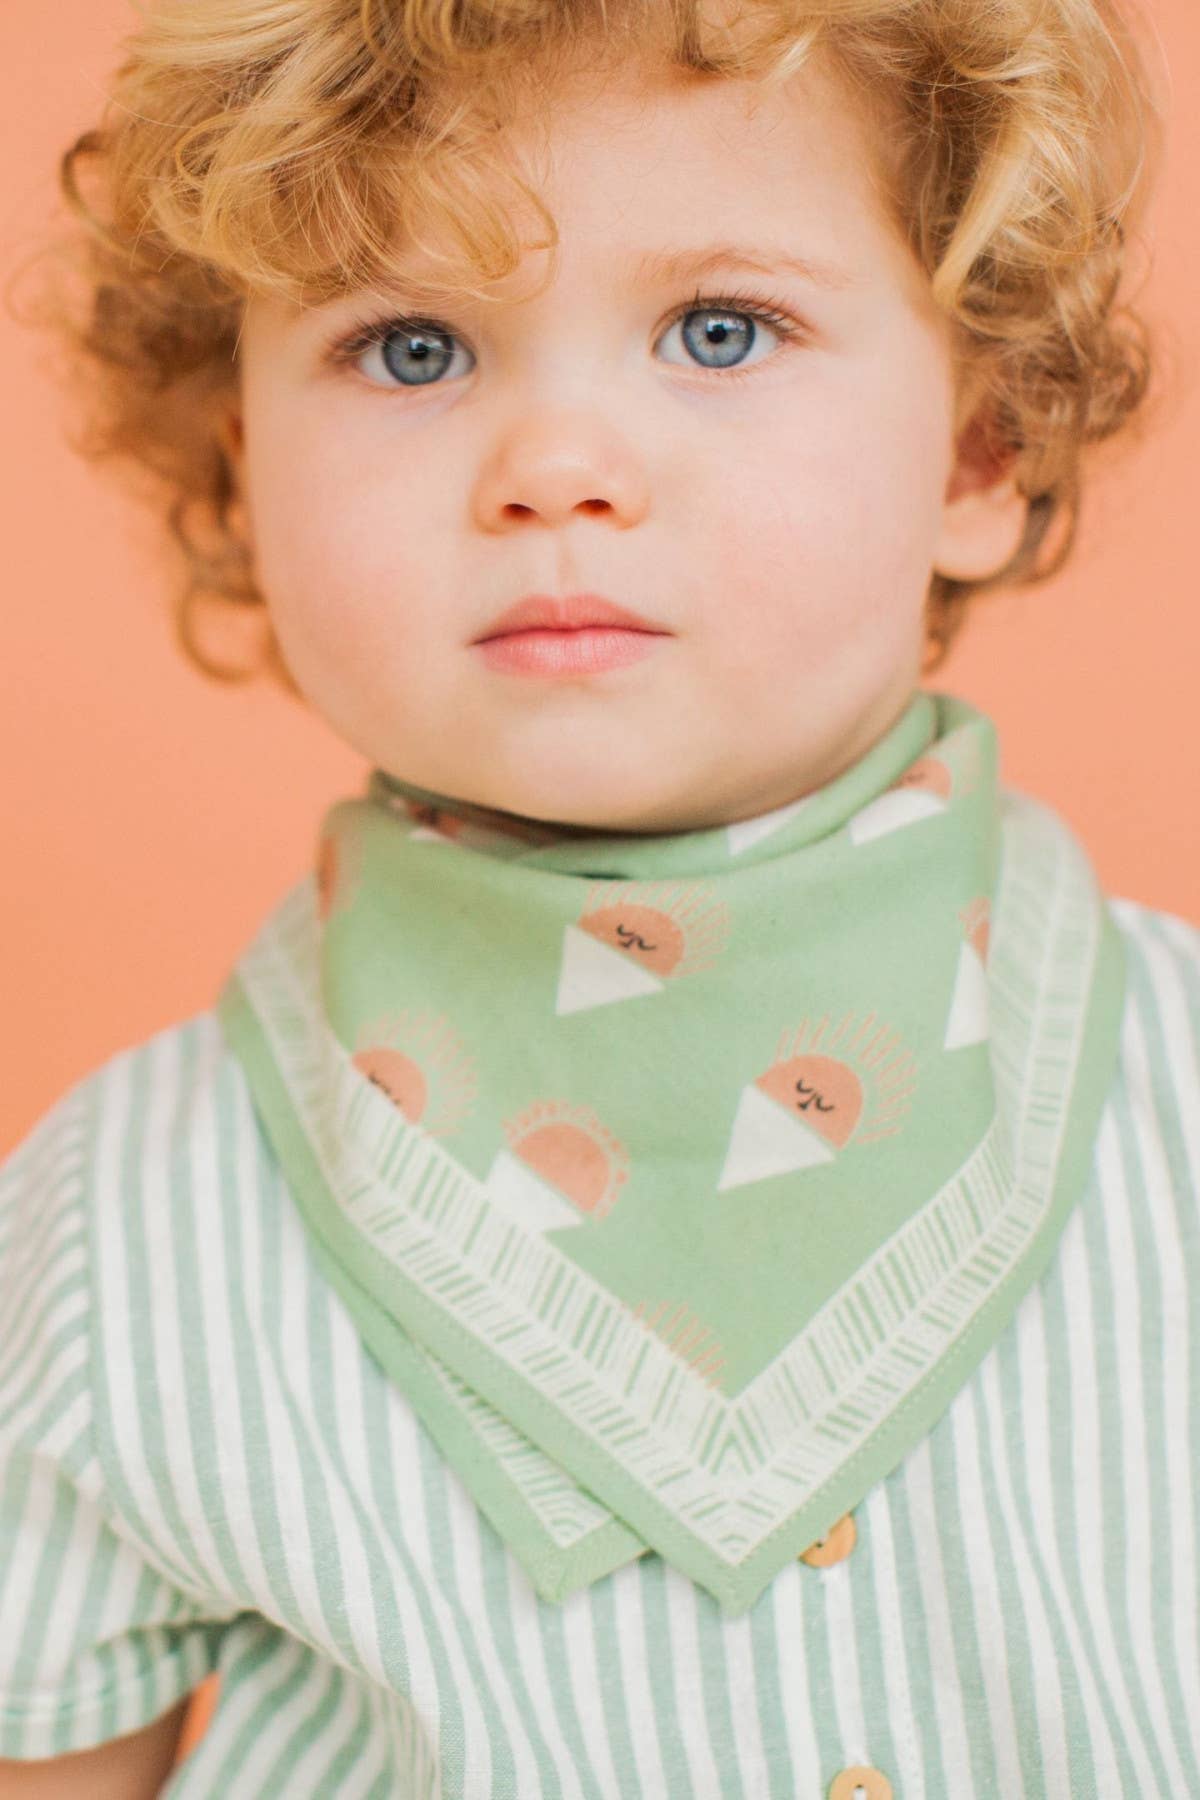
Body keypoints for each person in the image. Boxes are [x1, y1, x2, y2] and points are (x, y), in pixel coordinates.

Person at [1, 1, 1196, 1795]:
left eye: (721, 330)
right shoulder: (120, 1232)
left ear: (983, 444)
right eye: (411, 348)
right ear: (241, 475)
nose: (555, 465)